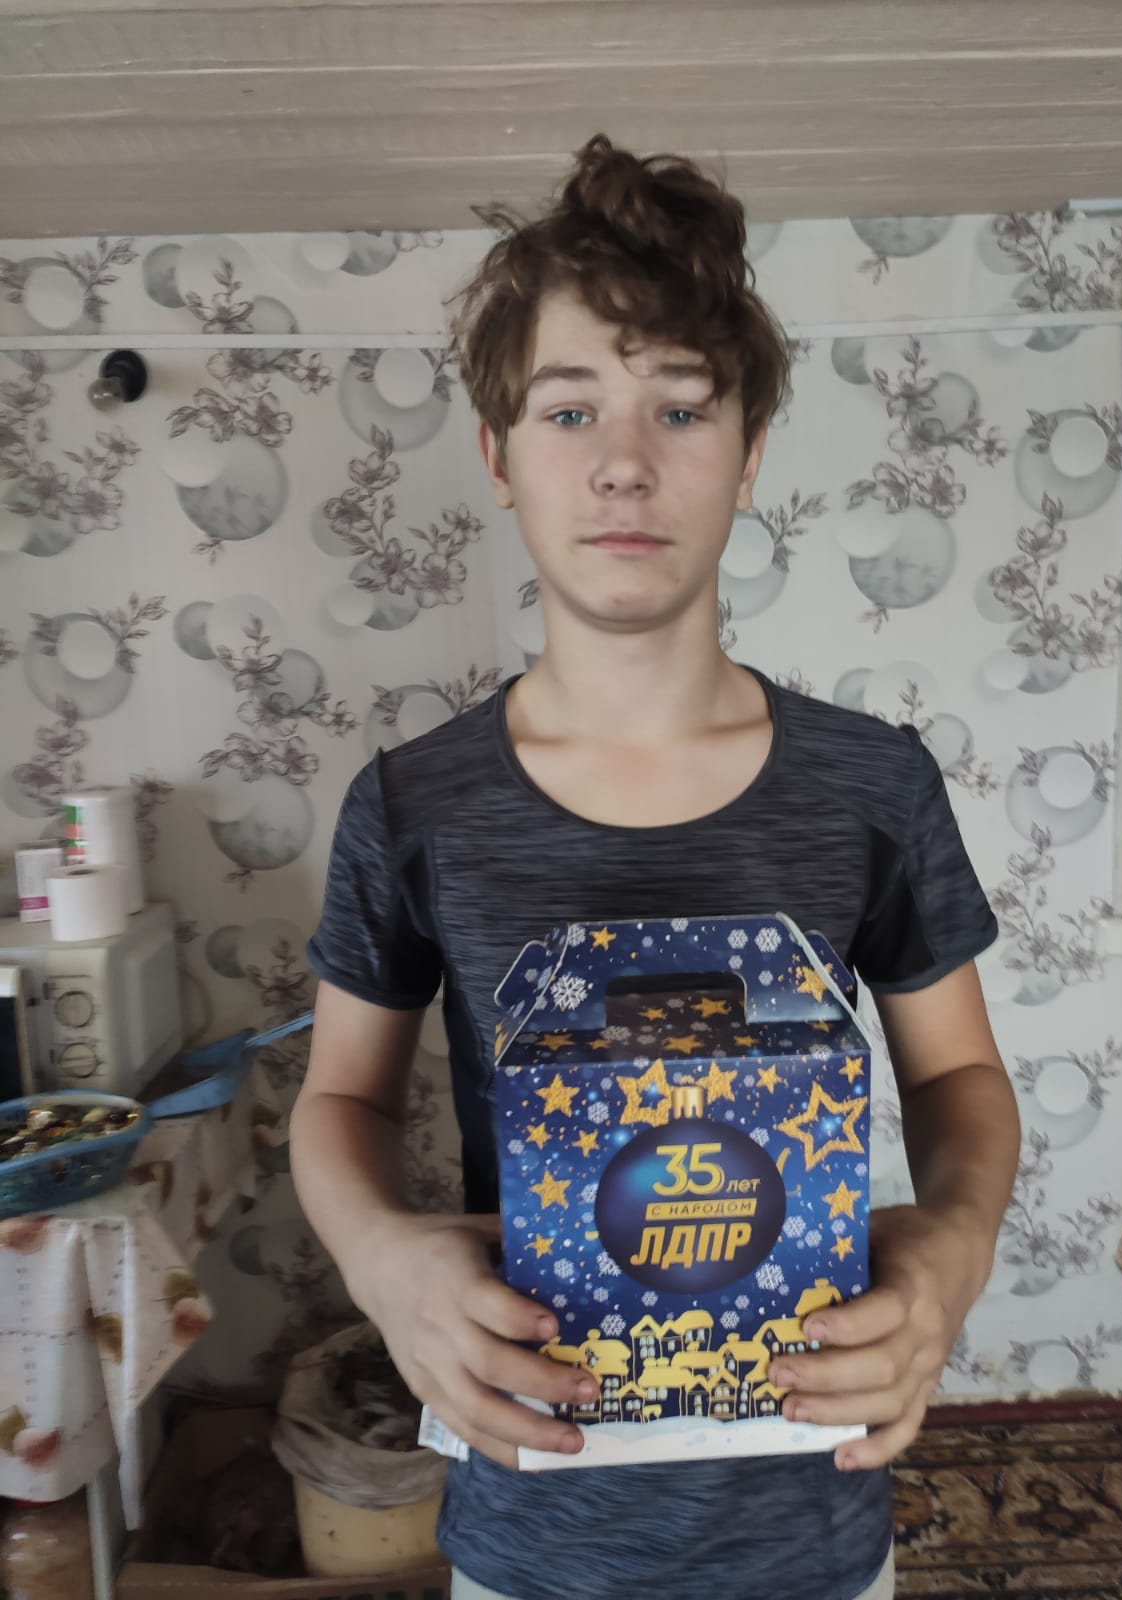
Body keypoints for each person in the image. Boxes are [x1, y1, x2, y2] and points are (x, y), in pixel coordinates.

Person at [293, 134, 1021, 1600]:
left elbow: (957, 1077)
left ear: (748, 457)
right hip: (533, 1532)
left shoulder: (873, 785)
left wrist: (951, 1250)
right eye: (570, 409)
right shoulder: (411, 805)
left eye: (681, 407)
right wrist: (379, 1257)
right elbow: (340, 1100)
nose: (625, 462)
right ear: (499, 456)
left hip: (814, 1524)